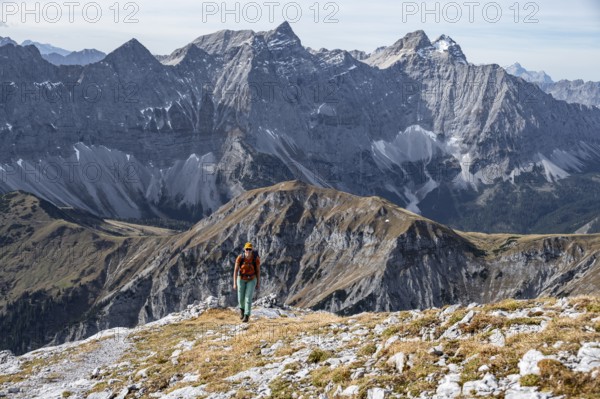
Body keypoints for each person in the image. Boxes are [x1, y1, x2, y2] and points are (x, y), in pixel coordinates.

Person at [233, 242, 260, 322]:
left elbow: (258, 271)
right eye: (247, 249)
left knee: (248, 297)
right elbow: (235, 270)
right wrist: (234, 283)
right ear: (244, 250)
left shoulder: (256, 259)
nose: (248, 251)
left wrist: (258, 282)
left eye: (250, 249)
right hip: (241, 278)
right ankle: (242, 310)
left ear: (252, 250)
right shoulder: (240, 258)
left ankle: (247, 315)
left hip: (252, 279)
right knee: (240, 297)